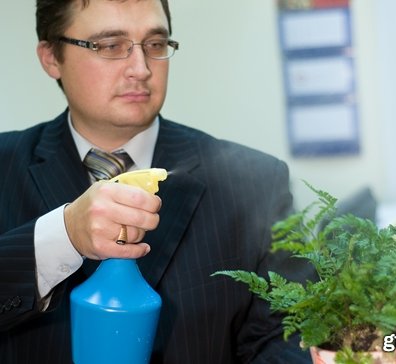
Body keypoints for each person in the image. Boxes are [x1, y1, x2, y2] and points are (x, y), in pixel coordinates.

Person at [0, 0, 312, 363]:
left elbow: (288, 337)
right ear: (51, 57)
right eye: (110, 46)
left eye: (155, 45)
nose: (140, 68)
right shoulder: (5, 166)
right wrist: (64, 234)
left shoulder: (257, 180)